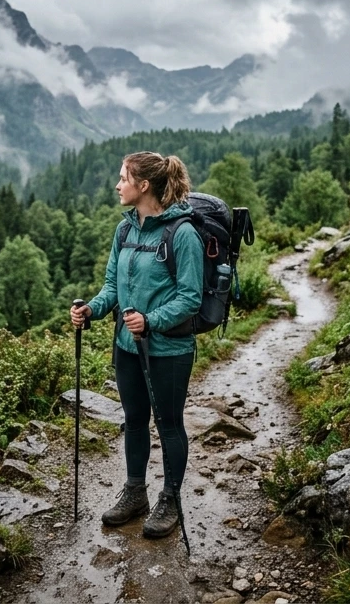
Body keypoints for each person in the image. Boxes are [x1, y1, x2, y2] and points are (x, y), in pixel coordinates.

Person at [70, 151, 202, 539]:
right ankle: (135, 493)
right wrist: (90, 310)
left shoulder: (183, 234)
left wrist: (151, 321)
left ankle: (171, 499)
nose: (117, 184)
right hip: (127, 347)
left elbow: (190, 298)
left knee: (169, 424)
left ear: (143, 185)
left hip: (169, 352)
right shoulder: (124, 231)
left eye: (123, 177)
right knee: (133, 421)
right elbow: (113, 286)